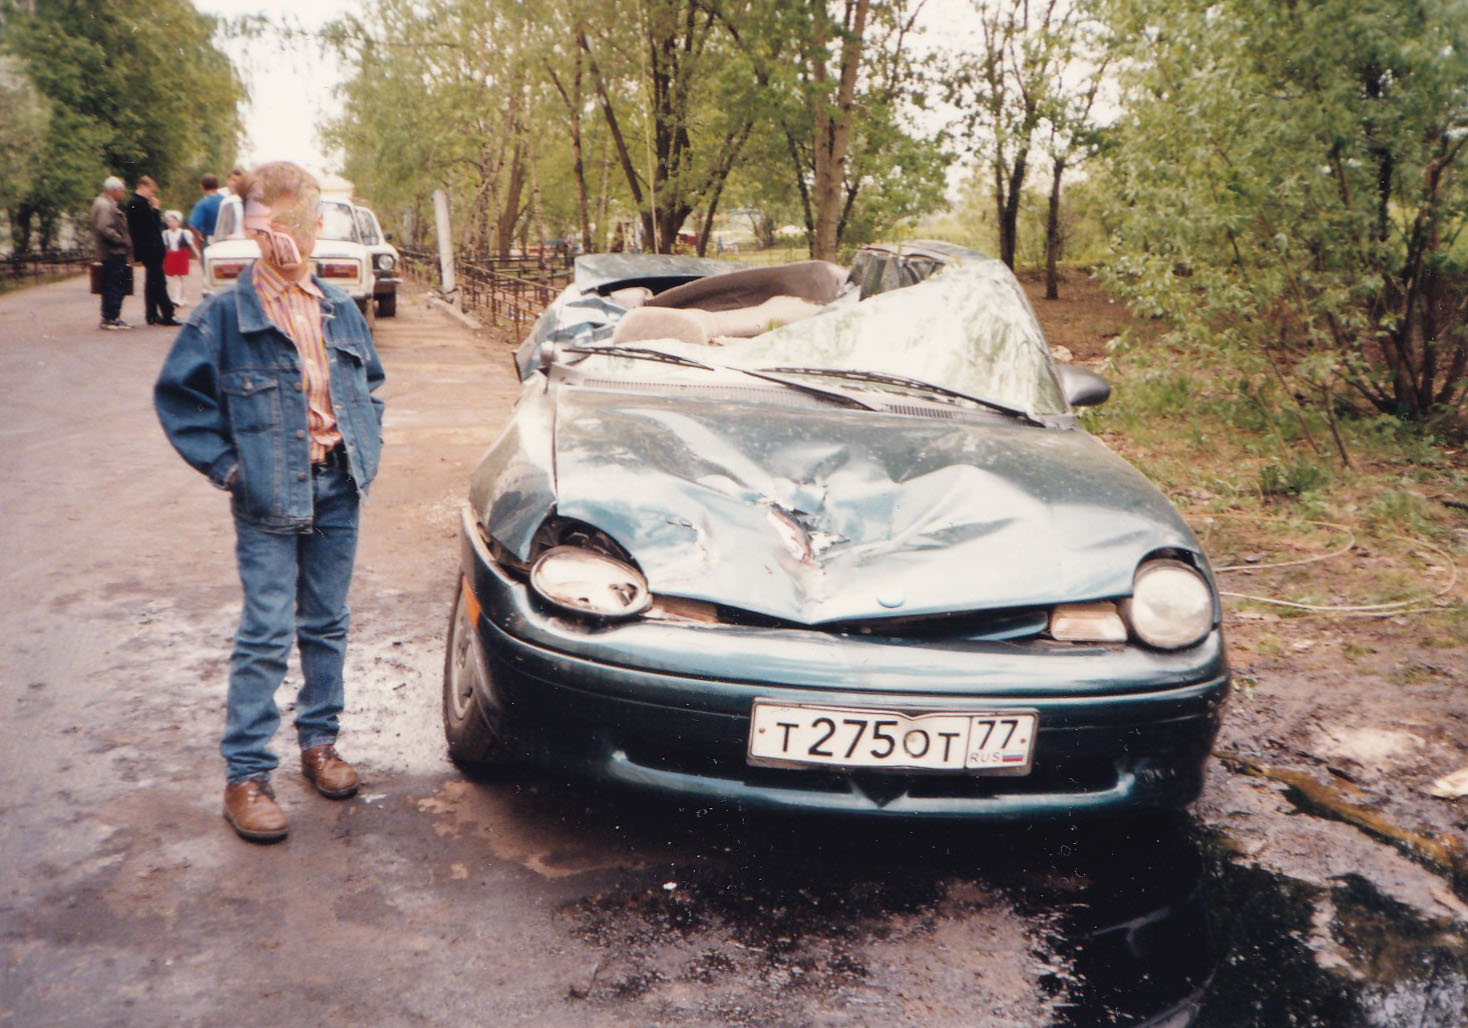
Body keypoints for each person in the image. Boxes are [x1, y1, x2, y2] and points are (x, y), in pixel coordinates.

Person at [154, 161, 386, 843]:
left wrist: (365, 445)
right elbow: (180, 400)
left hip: (338, 486)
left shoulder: (340, 307)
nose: (286, 237)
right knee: (265, 631)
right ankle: (247, 777)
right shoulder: (226, 314)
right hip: (269, 492)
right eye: (271, 224)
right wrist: (232, 470)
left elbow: (370, 386)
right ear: (254, 231)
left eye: (298, 222)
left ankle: (320, 745)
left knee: (327, 621)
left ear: (316, 226)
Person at [125, 176, 179, 326]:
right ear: (143, 186)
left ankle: (152, 314)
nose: (152, 195)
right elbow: (153, 226)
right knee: (159, 282)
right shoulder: (137, 204)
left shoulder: (138, 203)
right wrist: (156, 209)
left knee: (152, 282)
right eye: (151, 191)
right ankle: (168, 314)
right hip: (150, 249)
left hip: (149, 249)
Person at [91, 176, 133, 330]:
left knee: (112, 284)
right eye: (122, 190)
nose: (123, 193)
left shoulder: (104, 203)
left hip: (111, 252)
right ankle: (110, 318)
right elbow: (105, 228)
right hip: (113, 252)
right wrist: (121, 240)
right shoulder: (105, 205)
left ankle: (111, 317)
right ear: (114, 190)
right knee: (114, 285)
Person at [162, 209, 199, 307]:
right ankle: (178, 298)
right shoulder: (165, 233)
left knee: (180, 277)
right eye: (169, 221)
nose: (170, 223)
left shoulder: (184, 233)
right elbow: (165, 246)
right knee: (174, 277)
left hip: (182, 255)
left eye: (173, 221)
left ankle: (179, 298)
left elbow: (191, 245)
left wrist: (197, 254)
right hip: (171, 256)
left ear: (178, 222)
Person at [187, 173, 224, 249]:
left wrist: (198, 237)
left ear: (202, 187)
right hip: (226, 240)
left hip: (209, 241)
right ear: (218, 185)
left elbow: (192, 226)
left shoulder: (202, 204)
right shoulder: (226, 201)